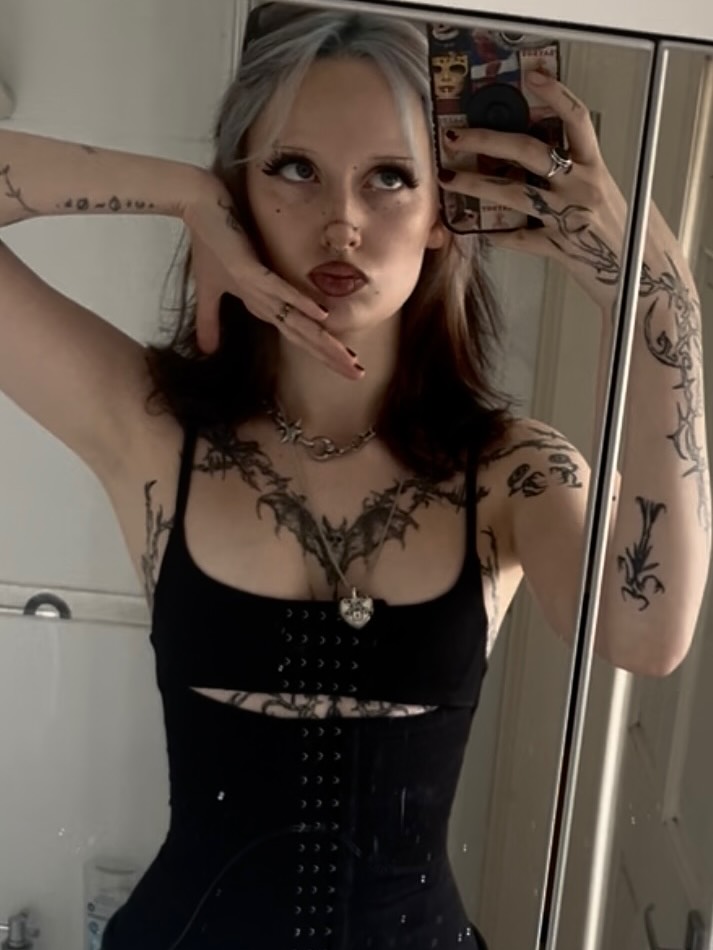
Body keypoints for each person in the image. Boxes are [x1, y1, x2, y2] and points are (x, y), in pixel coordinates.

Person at [0, 3, 708, 948]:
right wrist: (184, 192)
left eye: (389, 177)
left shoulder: (508, 470)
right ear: (243, 192)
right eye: (293, 169)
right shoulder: (154, 428)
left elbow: (645, 633)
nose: (341, 222)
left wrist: (662, 299)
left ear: (442, 213)